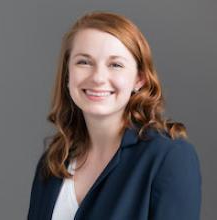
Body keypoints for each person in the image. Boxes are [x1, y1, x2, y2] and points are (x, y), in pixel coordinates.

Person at [27, 11, 202, 220]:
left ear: (140, 79)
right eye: (84, 62)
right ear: (67, 74)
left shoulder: (169, 157)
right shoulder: (54, 161)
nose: (98, 77)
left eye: (115, 65)